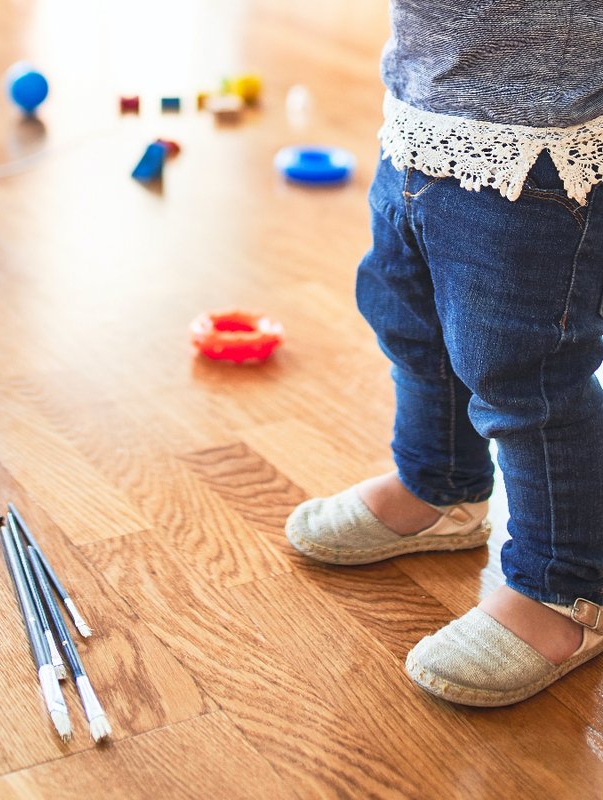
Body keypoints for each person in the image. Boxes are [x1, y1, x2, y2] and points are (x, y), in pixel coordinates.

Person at [286, 1, 603, 706]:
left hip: (537, 140)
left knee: (526, 372)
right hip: (423, 113)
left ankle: (564, 587)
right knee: (413, 319)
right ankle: (442, 485)